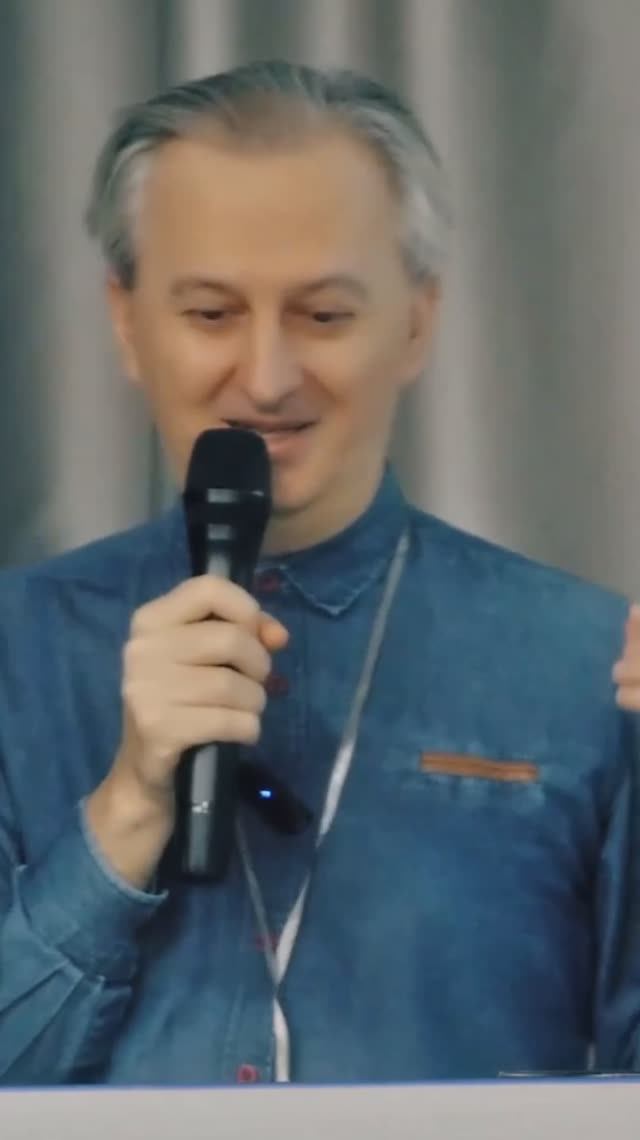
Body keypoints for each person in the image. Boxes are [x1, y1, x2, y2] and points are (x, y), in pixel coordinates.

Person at [0, 58, 637, 1088]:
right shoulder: (16, 655)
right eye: (211, 314)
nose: (266, 378)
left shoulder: (589, 665)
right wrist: (124, 815)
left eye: (324, 316)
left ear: (416, 321)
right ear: (126, 323)